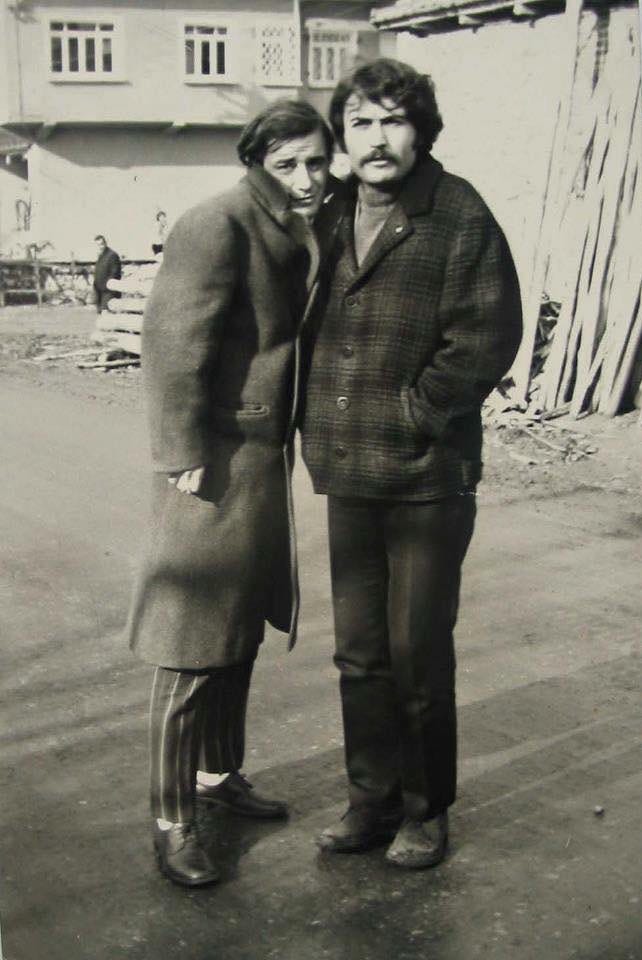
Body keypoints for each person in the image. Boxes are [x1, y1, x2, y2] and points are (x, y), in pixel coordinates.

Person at [300, 59, 523, 869]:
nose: (377, 138)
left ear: (421, 130)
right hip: (347, 468)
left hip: (428, 476)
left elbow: (487, 334)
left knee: (416, 651)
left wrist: (416, 413)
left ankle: (426, 811)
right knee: (359, 653)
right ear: (342, 136)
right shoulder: (329, 213)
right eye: (360, 122)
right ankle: (371, 801)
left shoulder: (458, 212)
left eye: (393, 119)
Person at [126, 100, 333, 888]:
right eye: (288, 164)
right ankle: (170, 818)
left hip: (261, 460)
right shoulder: (217, 223)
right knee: (190, 642)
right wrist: (181, 451)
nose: (306, 178)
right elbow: (173, 342)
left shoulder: (296, 224)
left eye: (317, 161)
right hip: (213, 460)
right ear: (255, 163)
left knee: (238, 627)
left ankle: (217, 776)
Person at [92, 235, 121, 313]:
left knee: (107, 315)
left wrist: (107, 287)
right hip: (99, 292)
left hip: (108, 292)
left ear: (105, 243)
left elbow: (114, 274)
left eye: (102, 244)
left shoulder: (112, 255)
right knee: (100, 315)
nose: (100, 247)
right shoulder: (100, 256)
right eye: (98, 245)